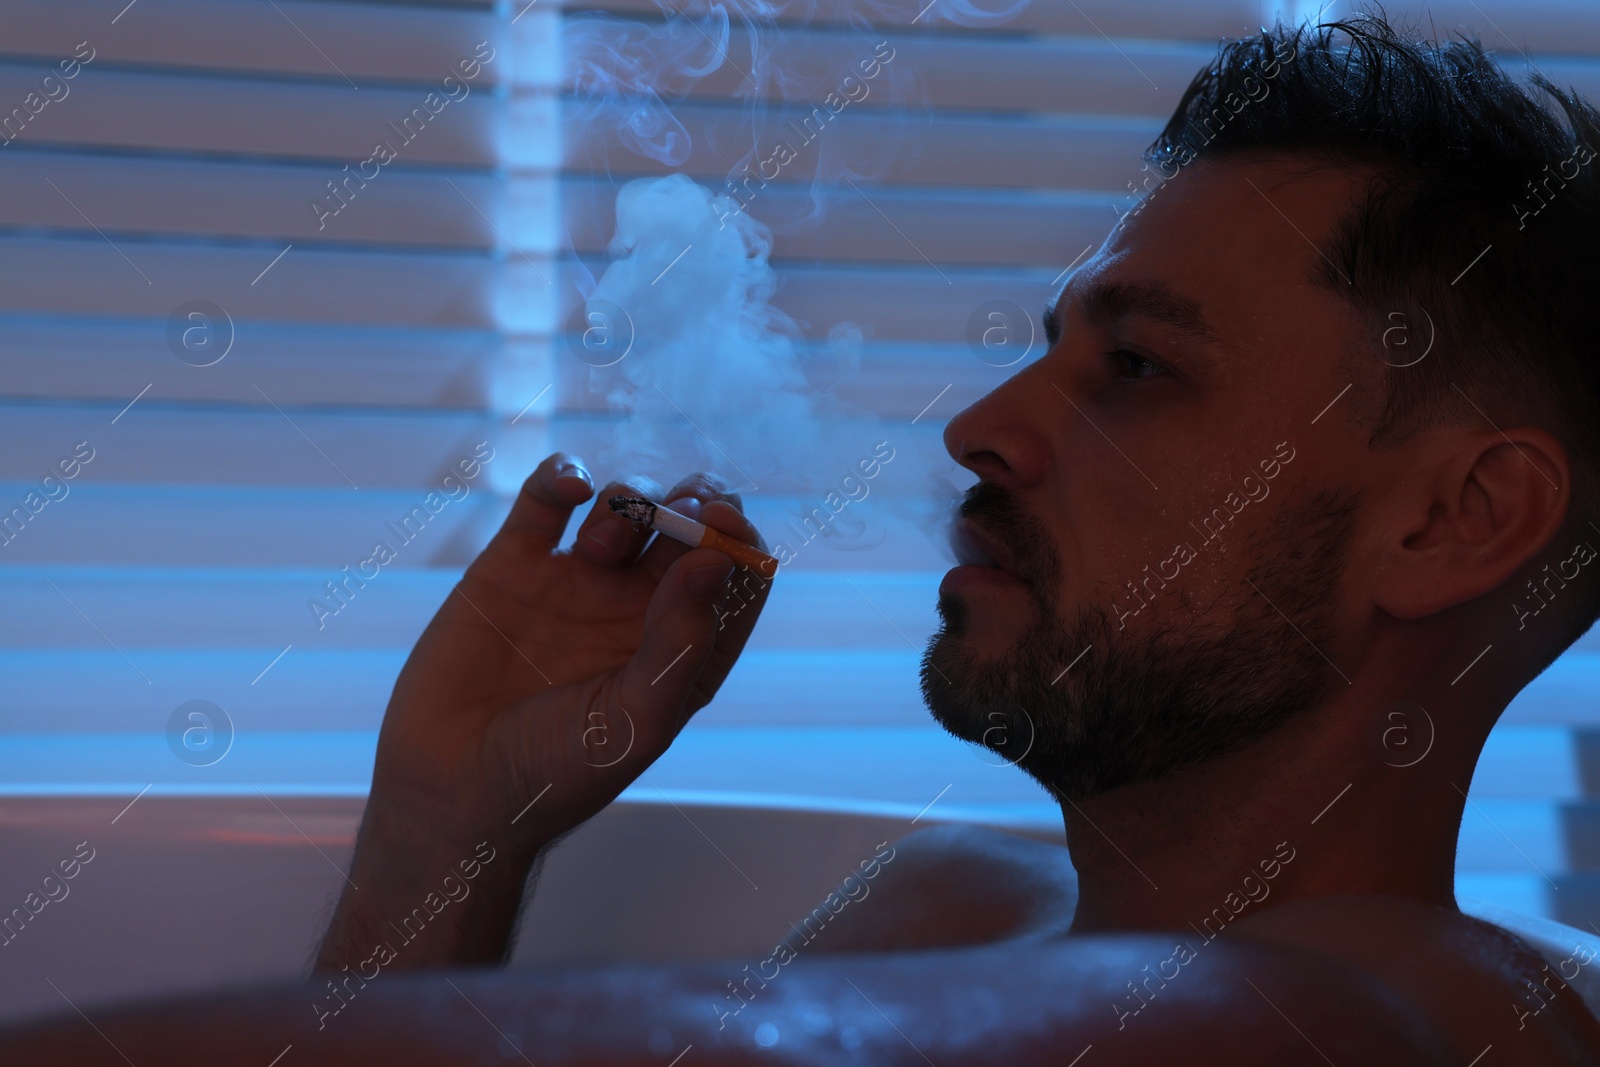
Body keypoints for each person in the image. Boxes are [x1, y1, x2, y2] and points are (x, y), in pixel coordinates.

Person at [6, 11, 1600, 1065]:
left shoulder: (1420, 1013)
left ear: (1458, 519)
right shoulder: (947, 910)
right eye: (1045, 343)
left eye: (1136, 368)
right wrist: (451, 829)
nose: (983, 423)